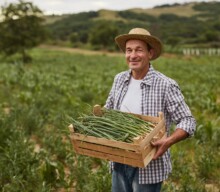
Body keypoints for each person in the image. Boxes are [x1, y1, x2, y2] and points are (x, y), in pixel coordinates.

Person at [104, 28, 196, 192]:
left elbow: (188, 121)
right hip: (119, 159)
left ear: (150, 53)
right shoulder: (119, 79)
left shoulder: (165, 85)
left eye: (139, 50)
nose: (133, 55)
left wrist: (168, 141)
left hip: (149, 164)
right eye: (129, 50)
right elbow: (108, 109)